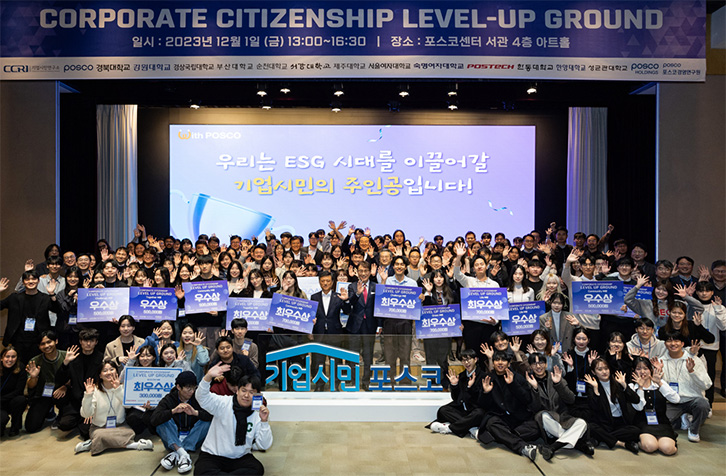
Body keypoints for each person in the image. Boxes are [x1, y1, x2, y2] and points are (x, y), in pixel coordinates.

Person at [194, 362, 272, 475]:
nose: (246, 395)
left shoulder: (257, 414)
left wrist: (264, 422)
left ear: (257, 395)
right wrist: (208, 377)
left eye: (251, 392)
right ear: (237, 391)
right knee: (200, 471)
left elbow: (264, 445)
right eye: (244, 390)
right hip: (213, 455)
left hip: (240, 457)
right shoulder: (223, 402)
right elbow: (201, 398)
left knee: (257, 469)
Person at [76, 360, 154, 455]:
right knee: (100, 435)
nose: (109, 373)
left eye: (112, 369)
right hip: (100, 427)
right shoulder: (94, 390)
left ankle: (93, 444)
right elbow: (86, 414)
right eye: (105, 371)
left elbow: (128, 405)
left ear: (117, 372)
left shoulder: (123, 387)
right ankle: (135, 445)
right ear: (100, 375)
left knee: (129, 433)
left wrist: (118, 389)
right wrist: (88, 395)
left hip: (120, 425)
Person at [523, 353, 593, 459]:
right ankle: (577, 443)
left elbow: (571, 400)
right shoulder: (528, 382)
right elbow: (534, 408)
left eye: (541, 362)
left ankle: (553, 447)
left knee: (582, 423)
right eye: (534, 363)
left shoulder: (556, 376)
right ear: (531, 366)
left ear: (546, 364)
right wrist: (535, 389)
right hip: (547, 422)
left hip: (563, 418)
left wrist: (558, 384)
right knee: (543, 415)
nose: (538, 366)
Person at [475, 351, 538, 462]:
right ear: (493, 363)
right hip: (501, 417)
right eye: (497, 360)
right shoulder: (488, 379)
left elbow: (527, 400)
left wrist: (513, 384)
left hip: (519, 418)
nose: (500, 363)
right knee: (491, 423)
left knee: (536, 428)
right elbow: (482, 405)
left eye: (503, 360)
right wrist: (486, 393)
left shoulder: (518, 377)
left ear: (508, 364)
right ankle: (523, 447)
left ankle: (502, 436)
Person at [151, 371, 213, 474]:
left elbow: (212, 415)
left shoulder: (198, 397)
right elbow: (154, 420)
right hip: (173, 437)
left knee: (207, 423)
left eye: (194, 388)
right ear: (179, 387)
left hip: (193, 437)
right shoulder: (169, 399)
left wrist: (195, 413)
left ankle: (177, 453)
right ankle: (183, 454)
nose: (192, 391)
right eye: (188, 388)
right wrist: (173, 411)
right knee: (162, 422)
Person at [659, 331, 711, 442]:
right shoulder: (660, 362)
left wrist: (692, 372)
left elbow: (707, 384)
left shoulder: (694, 360)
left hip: (692, 399)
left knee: (703, 405)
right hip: (672, 402)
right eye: (669, 341)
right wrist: (658, 376)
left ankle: (694, 430)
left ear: (682, 344)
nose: (673, 344)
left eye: (676, 340)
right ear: (665, 344)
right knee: (660, 423)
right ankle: (683, 420)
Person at [0, 273, 61, 365]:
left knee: (37, 366)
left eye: (33, 279)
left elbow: (58, 310)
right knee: (18, 367)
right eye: (27, 279)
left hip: (38, 340)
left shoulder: (45, 298)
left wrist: (52, 294)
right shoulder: (14, 298)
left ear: (38, 281)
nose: (31, 281)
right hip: (18, 340)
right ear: (23, 282)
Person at [584, 358, 642, 453]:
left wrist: (624, 385)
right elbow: (594, 408)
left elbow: (636, 400)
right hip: (603, 423)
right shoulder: (592, 385)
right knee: (591, 427)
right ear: (593, 372)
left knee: (636, 431)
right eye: (600, 369)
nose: (604, 372)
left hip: (619, 422)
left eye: (606, 368)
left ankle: (603, 438)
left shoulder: (617, 382)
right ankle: (621, 443)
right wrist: (596, 390)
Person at [55, 328, 104, 438]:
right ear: (80, 341)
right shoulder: (73, 356)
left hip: (92, 401)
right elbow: (60, 379)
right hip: (75, 401)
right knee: (64, 425)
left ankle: (84, 420)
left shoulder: (101, 358)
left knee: (85, 433)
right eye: (85, 340)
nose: (88, 344)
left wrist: (91, 410)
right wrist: (66, 363)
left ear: (96, 342)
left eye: (91, 341)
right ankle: (77, 418)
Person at [629, 356, 679, 455]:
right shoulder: (632, 387)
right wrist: (640, 388)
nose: (642, 372)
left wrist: (659, 383)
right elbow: (639, 407)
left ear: (650, 370)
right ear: (633, 371)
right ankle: (636, 442)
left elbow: (676, 399)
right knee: (650, 446)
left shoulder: (659, 383)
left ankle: (669, 440)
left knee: (667, 449)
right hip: (643, 423)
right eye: (638, 369)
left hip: (662, 423)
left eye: (645, 368)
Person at [428, 349, 484, 437]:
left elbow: (480, 400)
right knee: (443, 410)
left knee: (479, 413)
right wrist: (454, 385)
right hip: (462, 409)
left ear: (475, 359)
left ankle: (449, 428)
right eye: (463, 360)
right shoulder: (461, 375)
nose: (466, 363)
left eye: (469, 359)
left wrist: (470, 387)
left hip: (474, 409)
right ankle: (471, 429)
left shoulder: (483, 376)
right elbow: (456, 399)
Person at [310, 270, 350, 391]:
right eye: (323, 281)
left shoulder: (338, 296)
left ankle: (335, 385)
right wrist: (311, 323)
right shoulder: (314, 297)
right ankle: (319, 385)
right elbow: (311, 315)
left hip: (335, 333)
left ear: (332, 282)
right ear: (319, 282)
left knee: (336, 360)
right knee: (318, 360)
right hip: (319, 333)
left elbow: (347, 311)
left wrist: (346, 300)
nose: (325, 283)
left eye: (328, 281)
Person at [24, 330, 67, 433]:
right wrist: (33, 377)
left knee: (66, 423)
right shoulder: (34, 361)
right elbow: (31, 386)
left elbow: (75, 377)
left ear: (56, 341)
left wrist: (65, 386)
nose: (46, 346)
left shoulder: (66, 356)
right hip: (43, 394)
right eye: (42, 344)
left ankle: (62, 413)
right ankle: (49, 410)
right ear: (39, 346)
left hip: (62, 392)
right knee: (31, 427)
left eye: (49, 342)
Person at [345, 261, 379, 390]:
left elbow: (379, 307)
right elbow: (349, 304)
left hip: (370, 325)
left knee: (368, 354)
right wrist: (357, 293)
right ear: (357, 272)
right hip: (354, 325)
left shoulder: (376, 286)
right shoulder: (352, 286)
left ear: (370, 272)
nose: (363, 273)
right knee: (353, 354)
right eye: (360, 271)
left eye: (366, 271)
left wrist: (379, 325)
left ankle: (366, 381)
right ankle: (354, 380)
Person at [0, 346, 27, 437]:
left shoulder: (21, 368)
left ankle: (15, 426)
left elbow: (18, 391)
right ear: (1, 358)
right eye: (7, 356)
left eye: (13, 357)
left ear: (17, 358)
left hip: (12, 400)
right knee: (2, 420)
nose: (10, 360)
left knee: (21, 400)